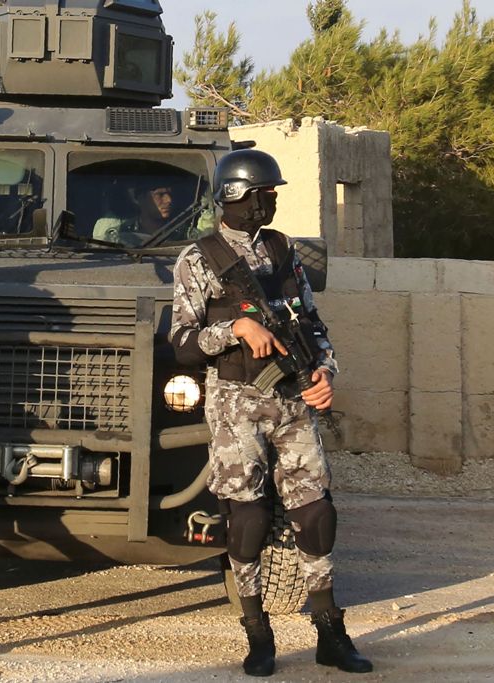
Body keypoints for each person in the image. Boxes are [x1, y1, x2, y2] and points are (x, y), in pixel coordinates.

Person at [169, 149, 372, 677]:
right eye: (266, 193)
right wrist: (235, 329)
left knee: (315, 513)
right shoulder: (200, 259)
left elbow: (314, 323)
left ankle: (330, 631)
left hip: (293, 400)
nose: (273, 200)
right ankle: (258, 634)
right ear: (237, 195)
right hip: (236, 402)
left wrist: (326, 373)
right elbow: (183, 342)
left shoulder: (284, 251)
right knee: (250, 516)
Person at [93, 178, 174, 244]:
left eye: (170, 194)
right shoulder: (120, 233)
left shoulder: (180, 232)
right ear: (140, 198)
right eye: (160, 195)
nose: (169, 200)